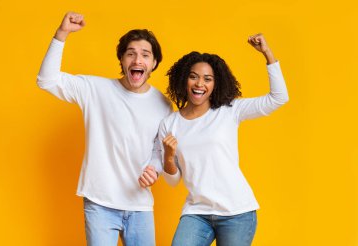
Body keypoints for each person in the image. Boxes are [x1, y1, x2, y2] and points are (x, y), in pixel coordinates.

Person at [37, 12, 171, 246]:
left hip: (139, 205)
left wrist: (155, 169)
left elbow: (159, 151)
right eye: (131, 54)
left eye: (145, 55)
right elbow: (46, 80)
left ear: (154, 63)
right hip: (99, 203)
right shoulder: (94, 89)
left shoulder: (162, 104)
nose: (137, 60)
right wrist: (62, 34)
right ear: (121, 60)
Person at [160, 33, 289, 246]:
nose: (199, 83)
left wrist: (267, 53)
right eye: (193, 76)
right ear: (184, 79)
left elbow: (279, 98)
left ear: (215, 84)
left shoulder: (230, 111)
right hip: (197, 212)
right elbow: (173, 181)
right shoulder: (170, 123)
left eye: (207, 79)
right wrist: (168, 155)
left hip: (237, 212)